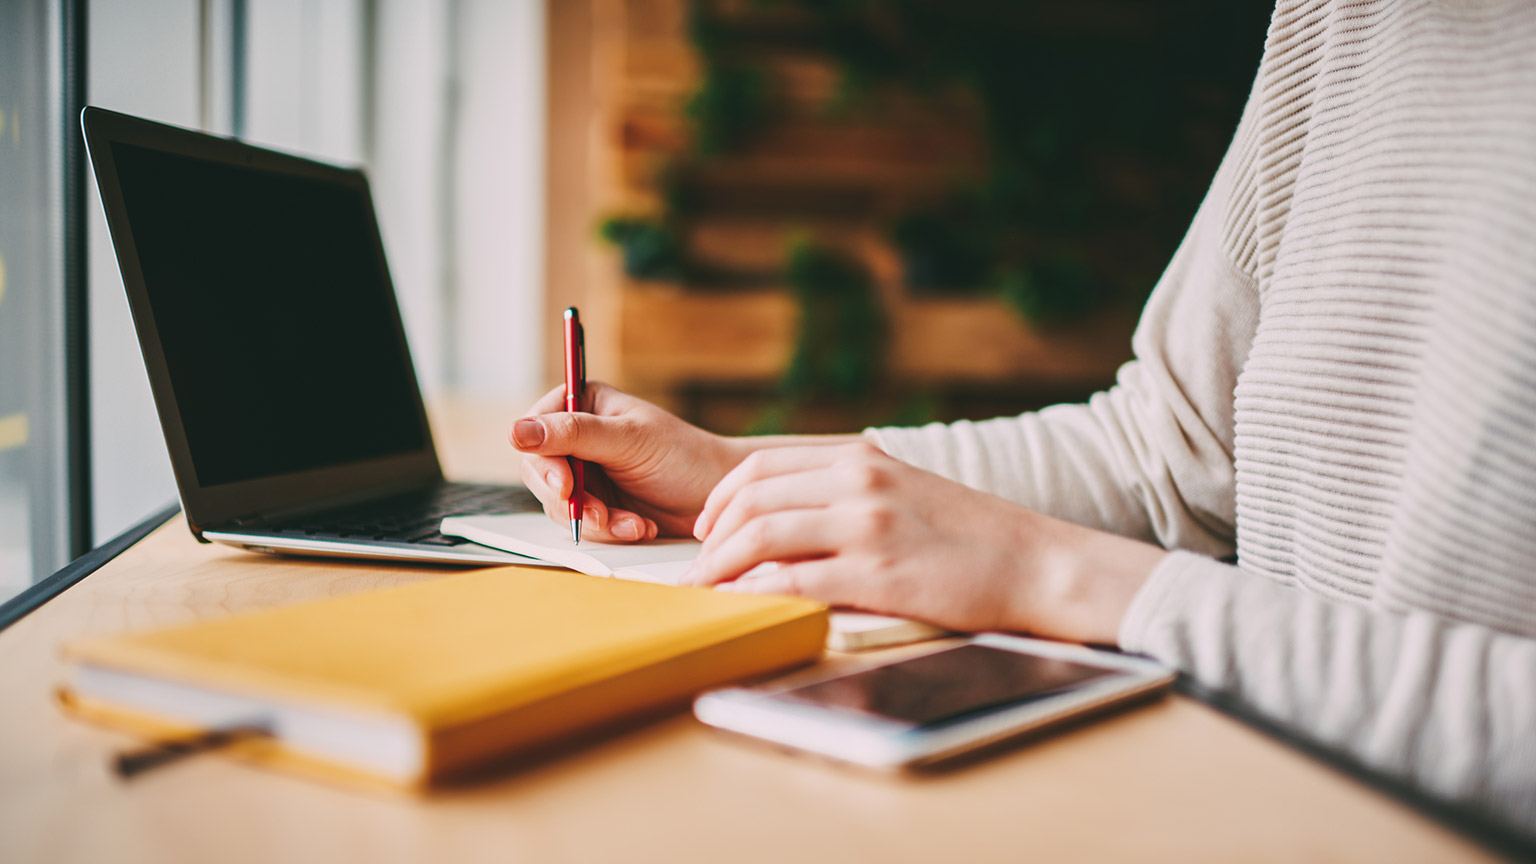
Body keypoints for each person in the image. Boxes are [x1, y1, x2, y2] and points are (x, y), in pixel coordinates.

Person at [511, 0, 1536, 829]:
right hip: (1249, 792)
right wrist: (732, 471)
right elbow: (1166, 448)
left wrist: (1050, 574)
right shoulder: (1348, 17)